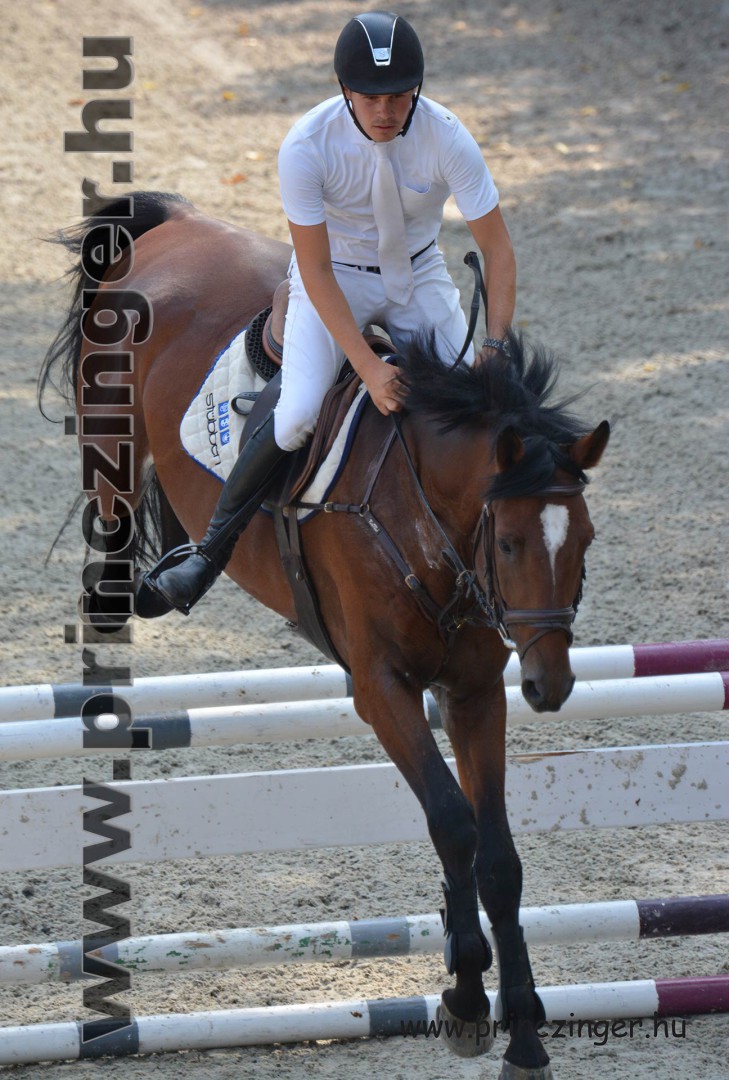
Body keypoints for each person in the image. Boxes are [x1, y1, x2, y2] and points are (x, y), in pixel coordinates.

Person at [146, 10, 516, 615]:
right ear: (345, 89)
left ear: (417, 90)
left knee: (482, 406)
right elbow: (314, 270)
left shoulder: (448, 136)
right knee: (297, 414)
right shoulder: (307, 145)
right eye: (370, 98)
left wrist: (495, 347)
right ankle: (209, 552)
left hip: (420, 274)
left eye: (399, 96)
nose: (385, 112)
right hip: (335, 277)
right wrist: (368, 367)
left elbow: (497, 249)